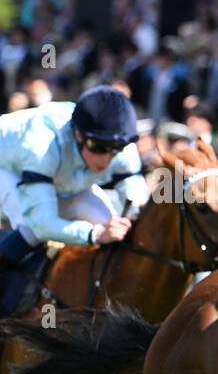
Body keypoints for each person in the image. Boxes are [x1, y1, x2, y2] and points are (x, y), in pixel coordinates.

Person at [0, 85, 148, 270]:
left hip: (60, 172)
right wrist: (94, 234)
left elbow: (139, 205)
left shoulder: (123, 146)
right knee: (31, 231)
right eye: (98, 146)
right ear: (78, 134)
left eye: (115, 149)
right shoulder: (41, 145)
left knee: (110, 224)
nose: (106, 159)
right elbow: (42, 224)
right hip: (7, 167)